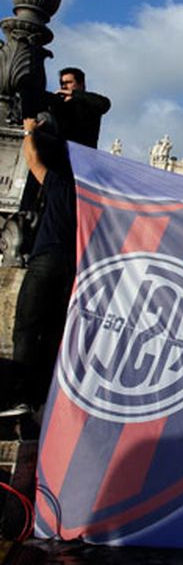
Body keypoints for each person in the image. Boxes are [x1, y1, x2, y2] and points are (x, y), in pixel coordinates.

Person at [0, 117, 76, 417]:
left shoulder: (59, 182)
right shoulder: (85, 192)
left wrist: (29, 129)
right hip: (71, 266)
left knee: (27, 328)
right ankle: (41, 399)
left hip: (47, 260)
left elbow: (31, 160)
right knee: (52, 331)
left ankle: (19, 397)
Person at [48, 67, 111, 148]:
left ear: (81, 84)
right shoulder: (57, 105)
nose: (64, 86)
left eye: (68, 82)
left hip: (82, 153)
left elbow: (105, 104)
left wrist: (73, 94)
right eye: (62, 83)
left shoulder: (89, 102)